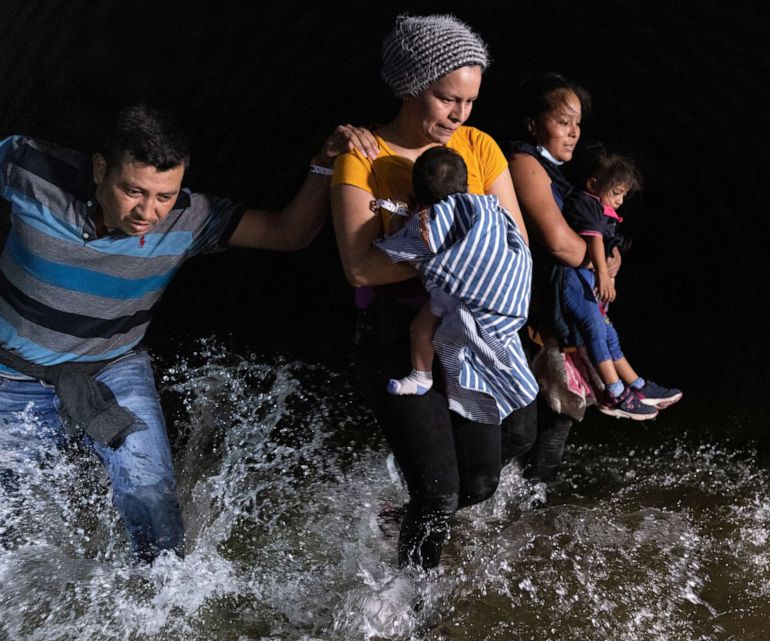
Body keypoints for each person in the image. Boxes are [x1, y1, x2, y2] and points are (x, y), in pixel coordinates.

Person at [0, 103, 376, 563]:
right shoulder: (30, 169)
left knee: (151, 498)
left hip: (110, 370)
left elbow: (287, 233)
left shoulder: (189, 217)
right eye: (133, 191)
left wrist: (325, 161)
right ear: (101, 169)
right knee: (10, 526)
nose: (147, 212)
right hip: (10, 376)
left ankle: (155, 608)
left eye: (163, 195)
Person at [331, 14, 533, 570]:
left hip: (470, 329)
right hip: (398, 335)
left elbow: (512, 241)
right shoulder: (363, 156)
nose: (460, 115)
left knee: (487, 477)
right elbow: (362, 269)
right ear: (410, 84)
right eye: (448, 99)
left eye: (469, 101)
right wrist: (455, 258)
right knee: (440, 492)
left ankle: (398, 517)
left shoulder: (480, 146)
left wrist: (451, 265)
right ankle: (410, 607)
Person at [374, 146, 537, 428]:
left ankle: (420, 377)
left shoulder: (429, 222)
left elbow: (398, 248)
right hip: (510, 295)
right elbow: (515, 239)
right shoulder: (487, 207)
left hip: (468, 296)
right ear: (467, 183)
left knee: (423, 332)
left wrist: (394, 213)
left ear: (418, 194)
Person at [559, 143, 682, 420]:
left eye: (623, 195)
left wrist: (613, 262)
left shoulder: (600, 209)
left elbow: (607, 242)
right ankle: (615, 392)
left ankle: (638, 387)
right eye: (615, 193)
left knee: (609, 333)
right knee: (595, 330)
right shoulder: (584, 202)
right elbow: (594, 240)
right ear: (593, 184)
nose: (619, 201)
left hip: (586, 279)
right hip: (574, 280)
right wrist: (604, 276)